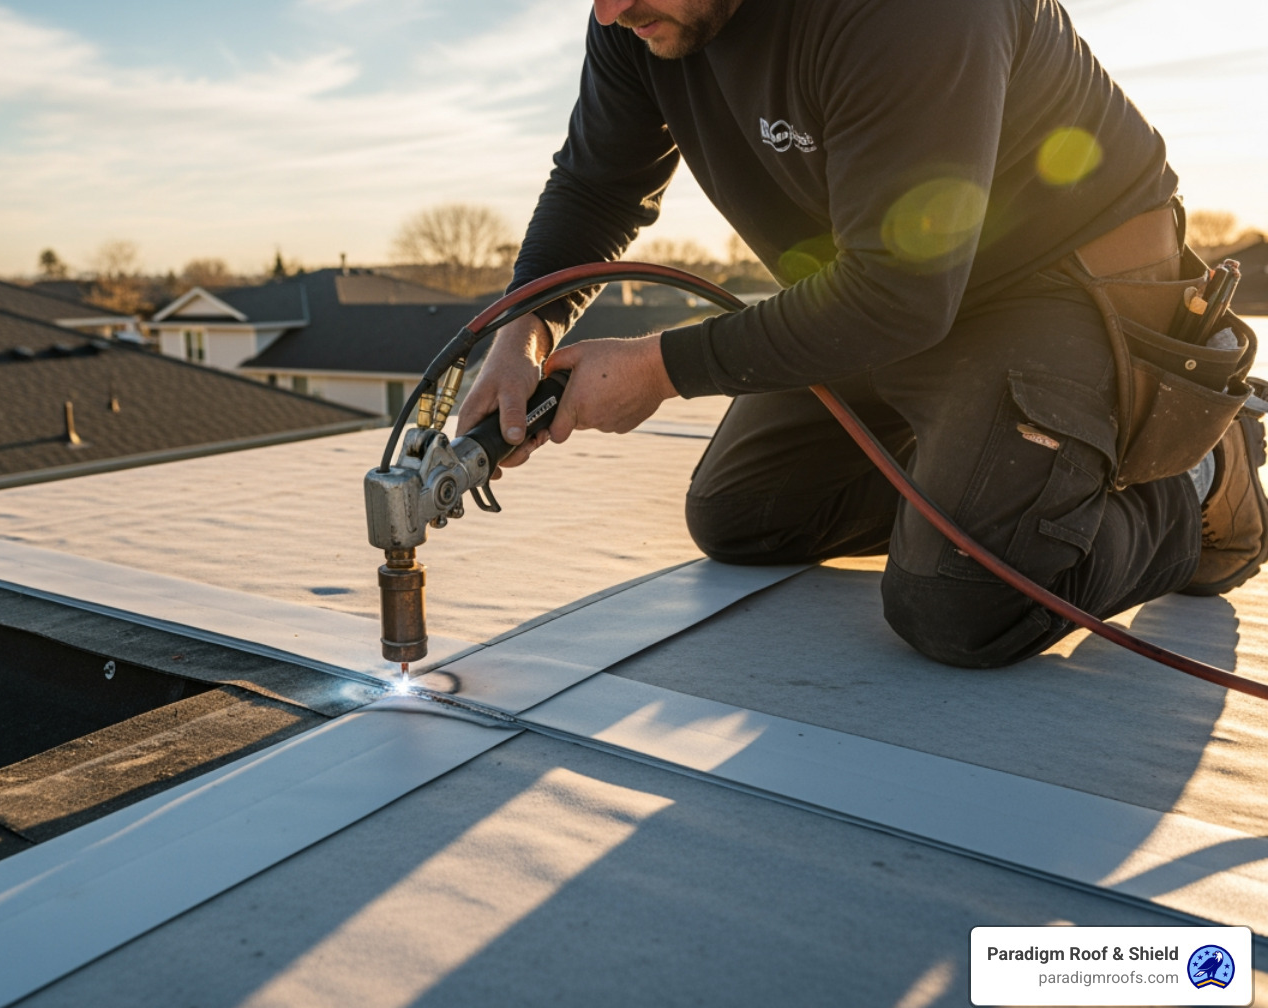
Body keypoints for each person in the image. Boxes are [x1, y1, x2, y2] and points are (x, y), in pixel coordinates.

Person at [455, 0, 1267, 668]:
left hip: (1058, 292)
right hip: (882, 292)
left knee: (964, 600)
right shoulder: (634, 22)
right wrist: (522, 328)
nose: (609, 11)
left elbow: (902, 293)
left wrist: (660, 368)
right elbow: (596, 186)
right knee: (741, 514)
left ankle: (1198, 475)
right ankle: (995, 469)